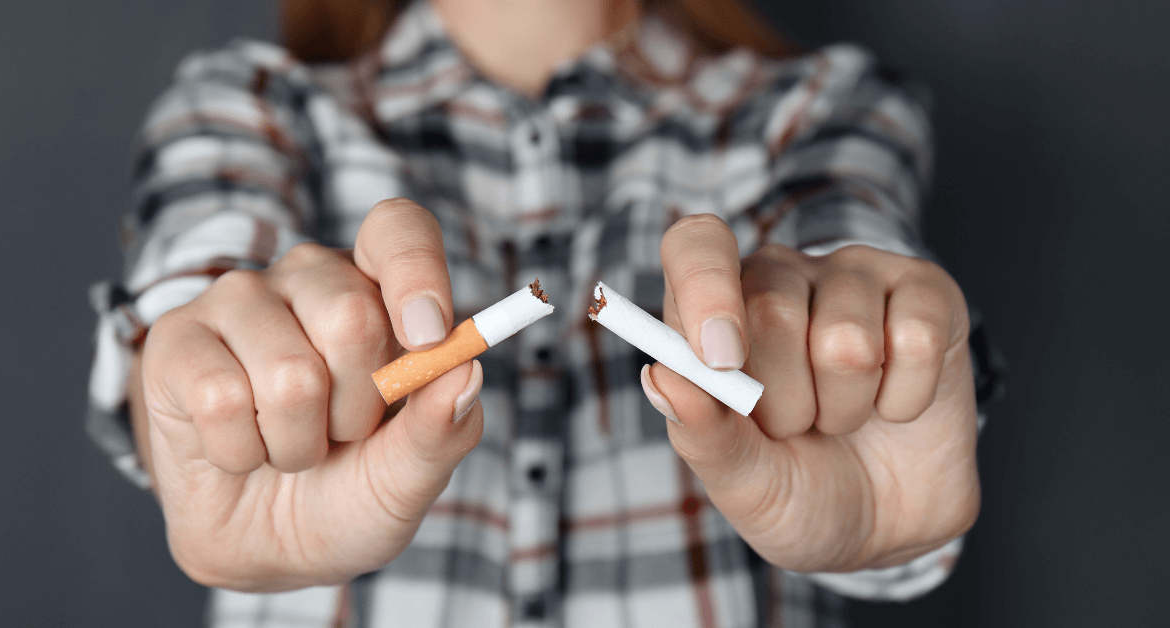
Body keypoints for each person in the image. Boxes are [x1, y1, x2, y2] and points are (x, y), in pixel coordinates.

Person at [86, 0, 989, 625]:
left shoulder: (821, 108)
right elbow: (199, 274)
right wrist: (209, 388)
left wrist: (869, 357)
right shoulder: (249, 107)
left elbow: (842, 233)